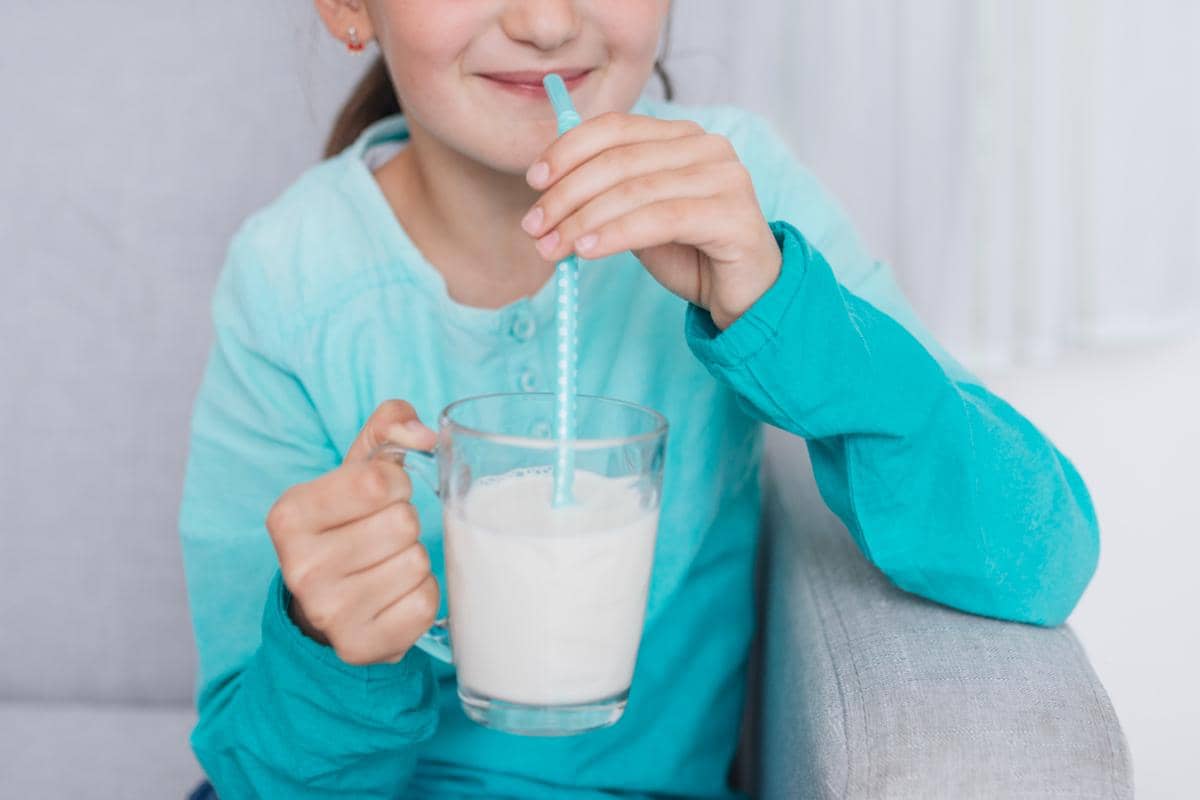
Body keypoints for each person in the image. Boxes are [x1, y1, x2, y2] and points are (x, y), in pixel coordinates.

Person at [179, 1, 1099, 797]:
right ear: (350, 6)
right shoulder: (287, 276)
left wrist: (778, 304)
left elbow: (1040, 557)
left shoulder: (742, 187)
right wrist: (323, 640)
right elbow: (257, 777)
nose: (546, 21)